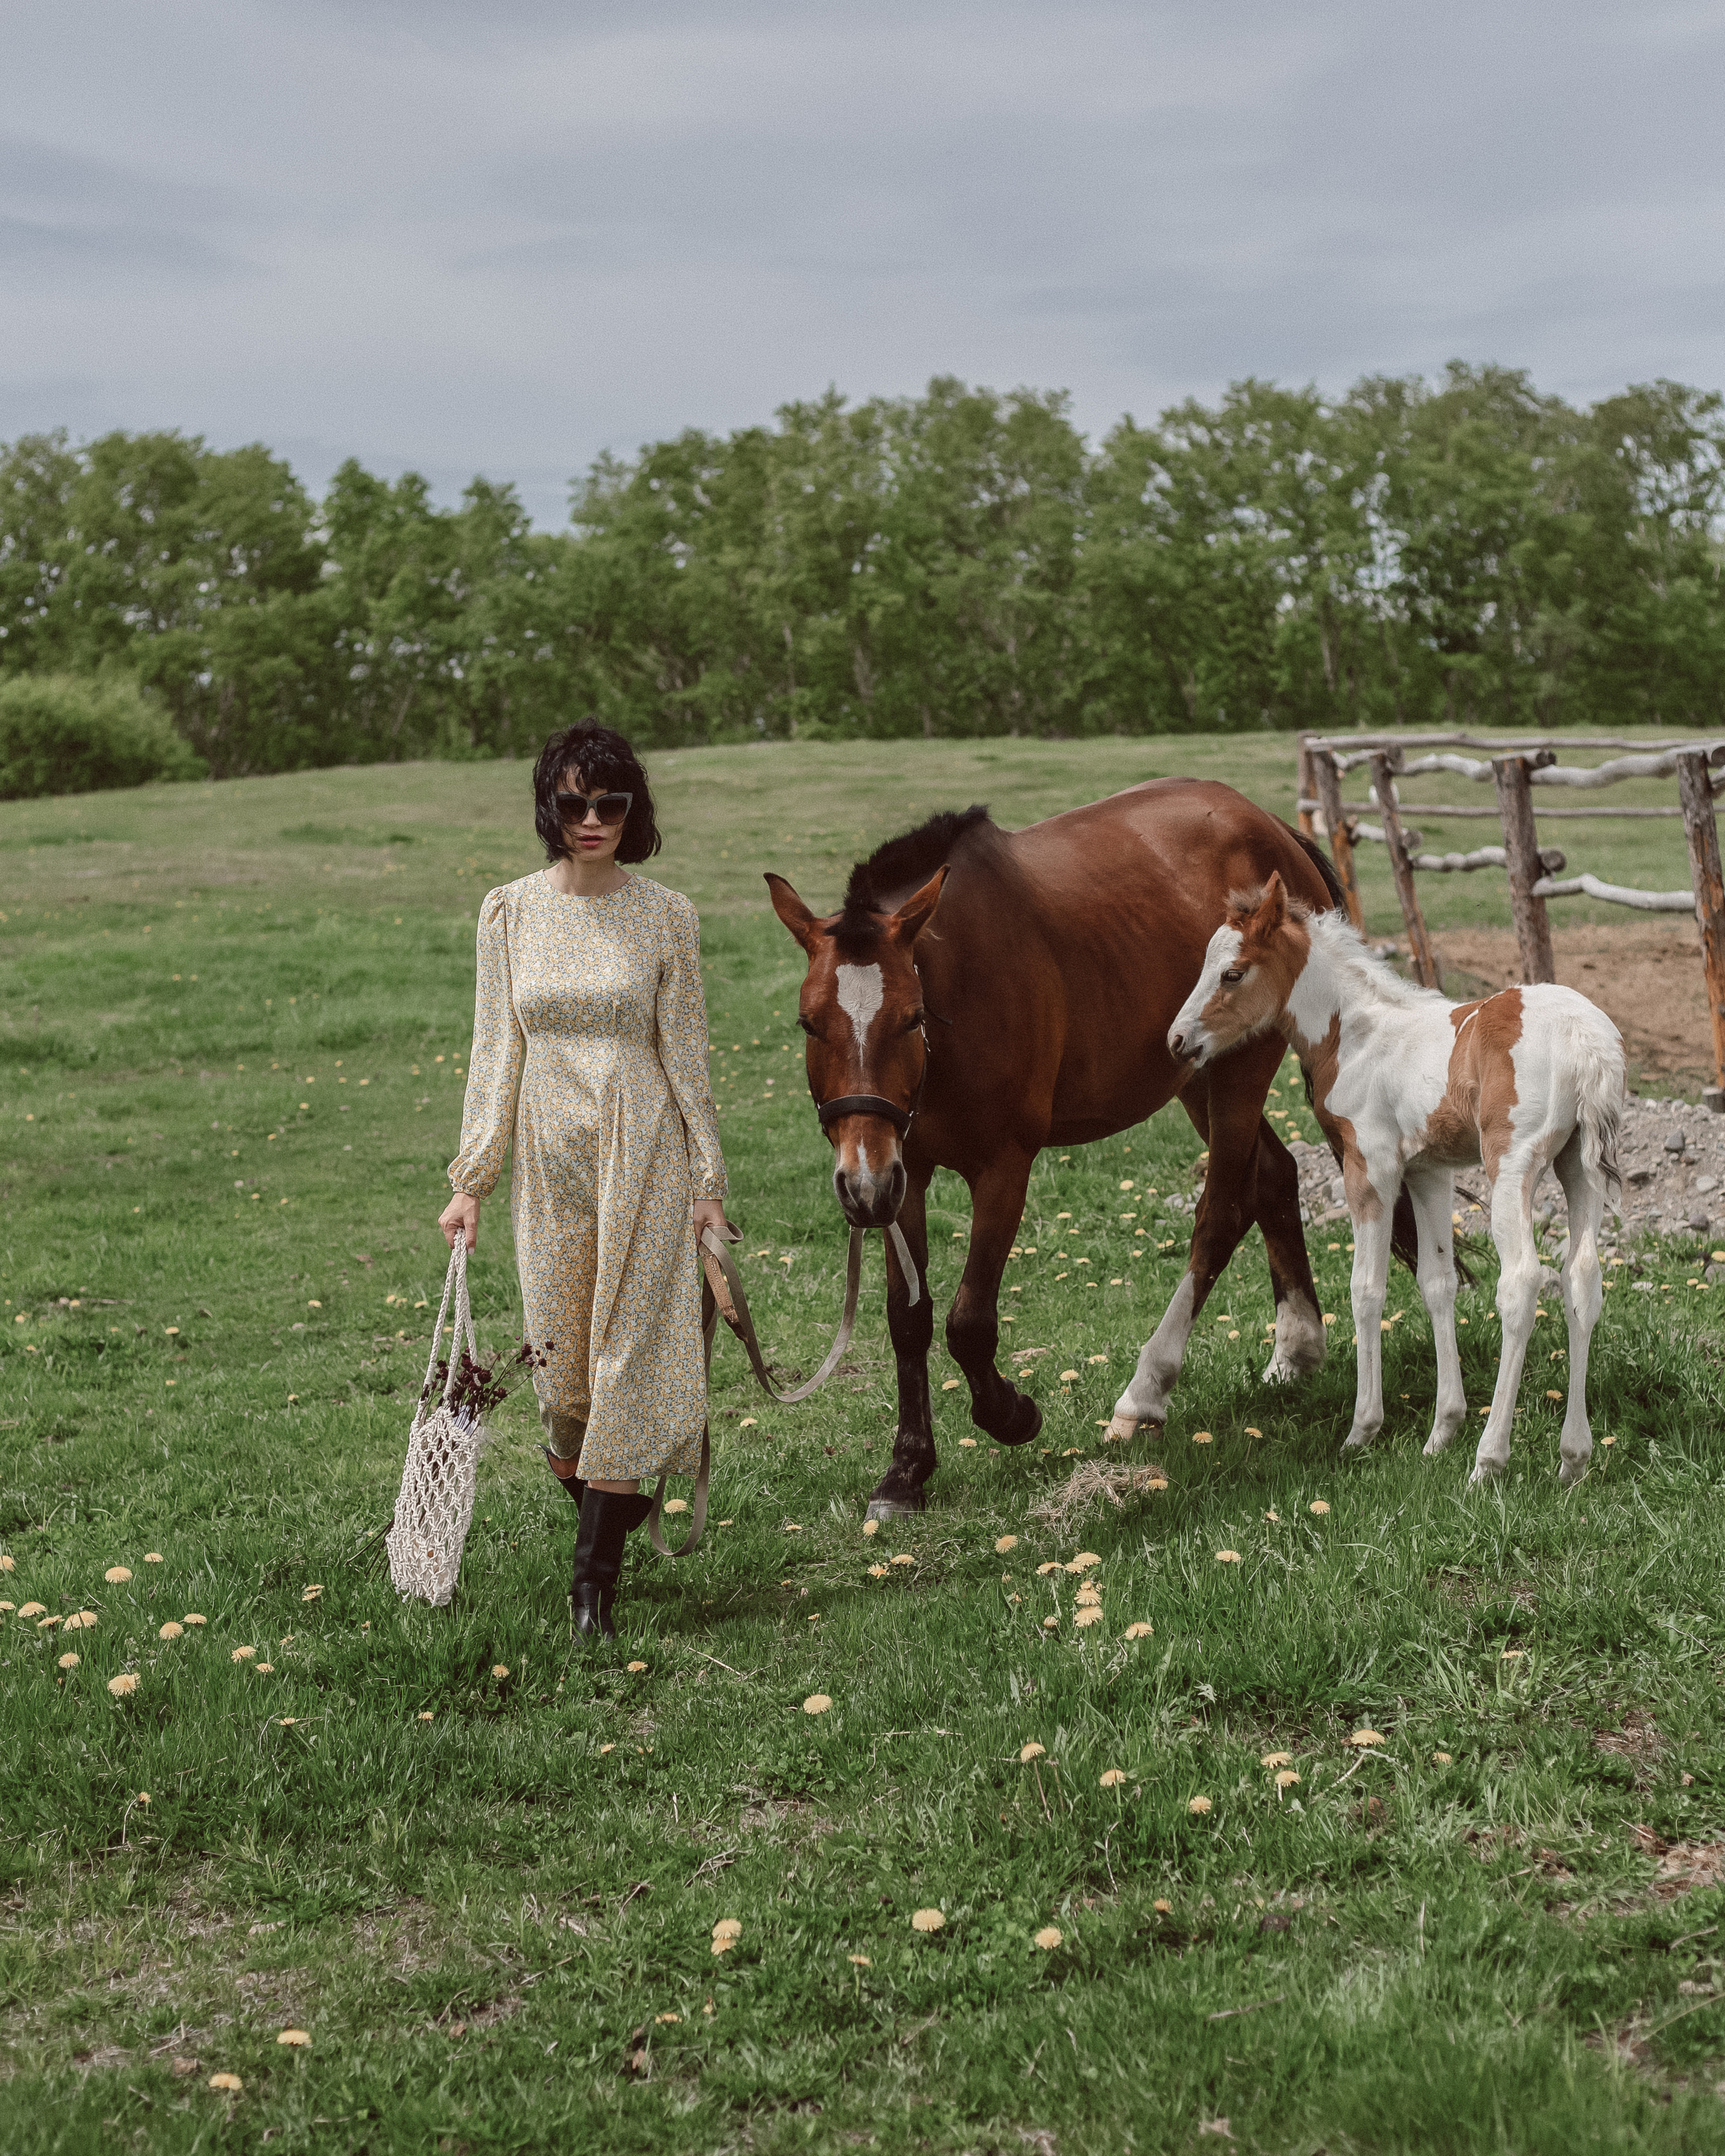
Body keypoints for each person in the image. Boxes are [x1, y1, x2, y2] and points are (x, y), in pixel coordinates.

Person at [439, 721, 729, 1640]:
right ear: (548, 809)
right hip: (550, 1163)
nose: (593, 819)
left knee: (631, 1359)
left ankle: (591, 1587)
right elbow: (496, 1051)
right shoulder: (509, 911)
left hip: (646, 1151)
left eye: (611, 804)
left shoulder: (668, 916)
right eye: (574, 804)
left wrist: (709, 1184)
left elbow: (687, 1058)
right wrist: (472, 1180)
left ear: (633, 810)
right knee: (564, 1384)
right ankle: (611, 1496)